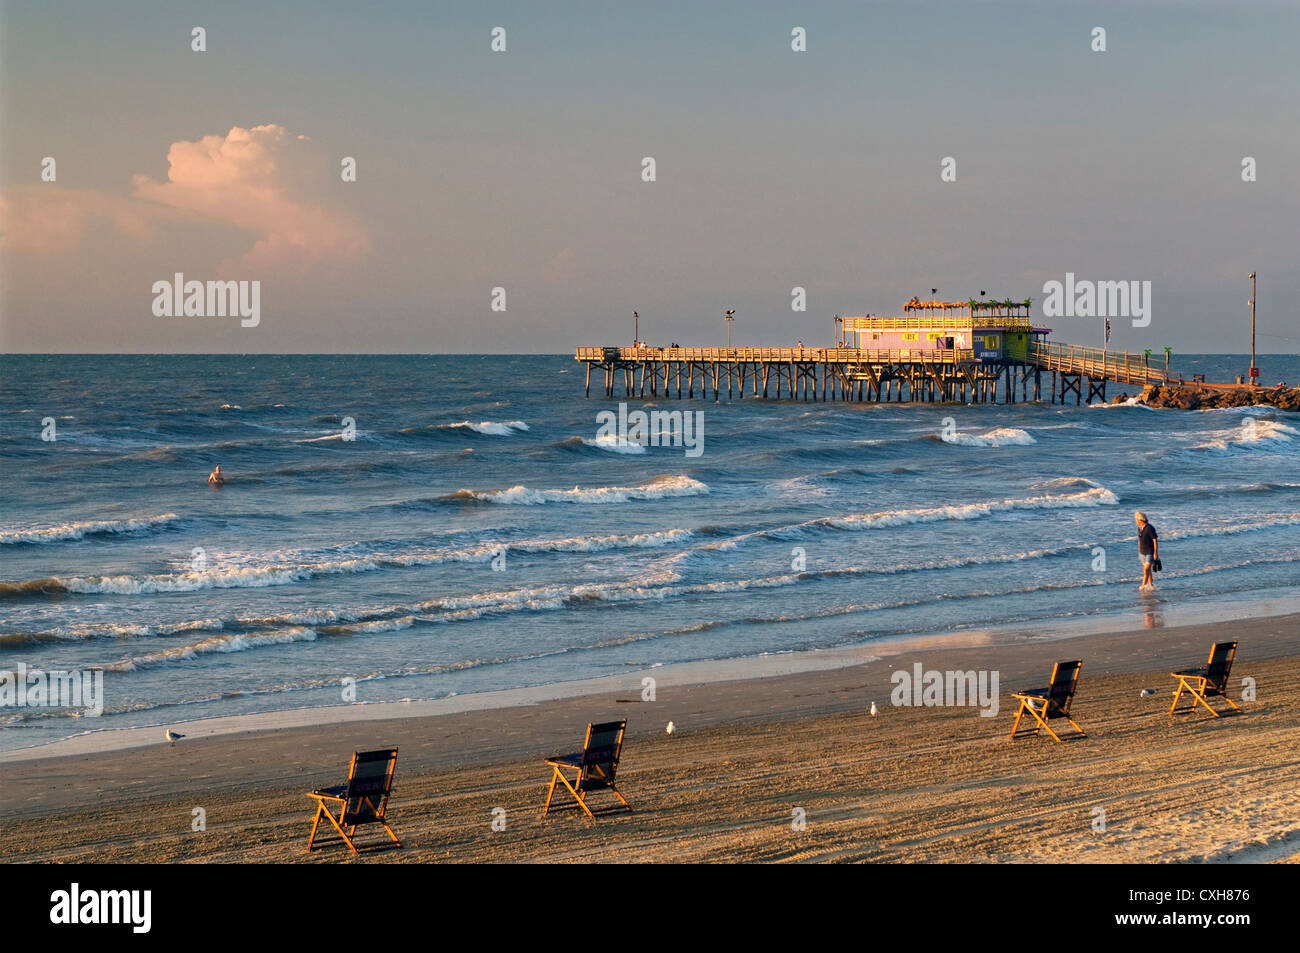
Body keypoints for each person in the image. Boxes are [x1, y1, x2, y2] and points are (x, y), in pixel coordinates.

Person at [1135, 511, 1158, 591]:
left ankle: (1143, 586)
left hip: (1150, 552)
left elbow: (1155, 540)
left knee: (1146, 569)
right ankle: (1151, 586)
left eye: (1136, 520)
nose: (1136, 521)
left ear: (1140, 520)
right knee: (1147, 570)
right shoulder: (1139, 528)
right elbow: (1139, 539)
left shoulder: (1150, 528)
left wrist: (1155, 553)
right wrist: (1139, 549)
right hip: (1142, 552)